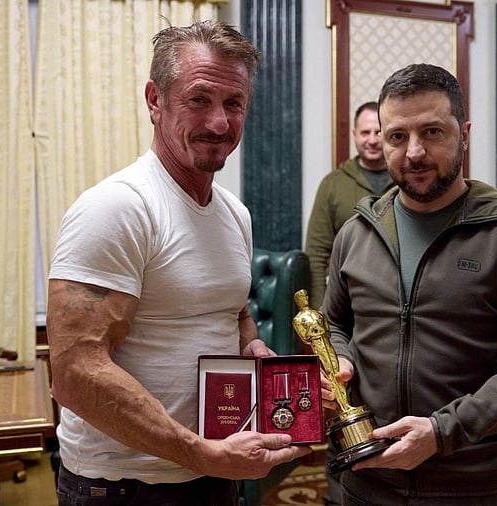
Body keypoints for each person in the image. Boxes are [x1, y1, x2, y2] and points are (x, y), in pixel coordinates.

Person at [46, 20, 310, 506]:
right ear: (154, 100)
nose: (219, 123)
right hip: (123, 486)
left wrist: (251, 346)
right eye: (199, 100)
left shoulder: (235, 214)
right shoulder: (117, 207)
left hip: (214, 470)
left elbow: (233, 311)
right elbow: (75, 373)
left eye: (234, 104)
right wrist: (200, 453)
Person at [319, 63, 497, 505]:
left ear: (464, 134)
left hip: (473, 489)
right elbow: (334, 323)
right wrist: (339, 357)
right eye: (397, 136)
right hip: (365, 485)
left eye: (432, 132)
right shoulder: (357, 232)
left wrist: (441, 432)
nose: (414, 152)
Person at [304, 101, 394, 308]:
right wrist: (321, 310)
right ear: (354, 134)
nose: (372, 140)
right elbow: (316, 253)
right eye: (365, 133)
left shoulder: (408, 181)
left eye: (379, 132)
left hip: (397, 303)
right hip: (347, 302)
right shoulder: (332, 184)